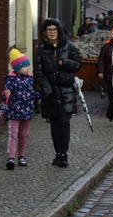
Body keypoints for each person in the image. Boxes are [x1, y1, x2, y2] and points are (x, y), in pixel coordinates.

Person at [34, 18, 82, 168]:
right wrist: (45, 86)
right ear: (45, 33)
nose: (52, 32)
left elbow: (78, 64)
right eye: (49, 30)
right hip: (51, 92)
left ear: (59, 31)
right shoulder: (42, 50)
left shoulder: (68, 46)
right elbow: (38, 72)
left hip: (66, 91)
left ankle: (64, 153)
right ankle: (58, 154)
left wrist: (66, 63)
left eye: (54, 29)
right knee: (55, 124)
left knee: (64, 122)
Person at [2, 50, 41, 169]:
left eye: (27, 66)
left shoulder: (30, 79)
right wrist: (5, 94)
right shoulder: (11, 80)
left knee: (24, 135)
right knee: (13, 135)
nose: (27, 68)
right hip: (14, 113)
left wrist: (41, 95)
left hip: (27, 112)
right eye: (24, 66)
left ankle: (21, 156)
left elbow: (32, 93)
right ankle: (11, 157)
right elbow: (5, 93)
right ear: (17, 67)